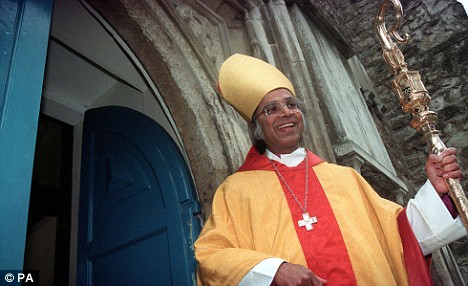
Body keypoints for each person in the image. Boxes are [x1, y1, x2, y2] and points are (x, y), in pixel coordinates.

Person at [194, 54, 466, 286]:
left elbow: (399, 239)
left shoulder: (344, 177)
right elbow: (211, 256)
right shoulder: (236, 190)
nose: (286, 113)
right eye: (271, 109)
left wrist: (438, 192)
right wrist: (273, 269)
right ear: (257, 128)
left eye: (291, 104)